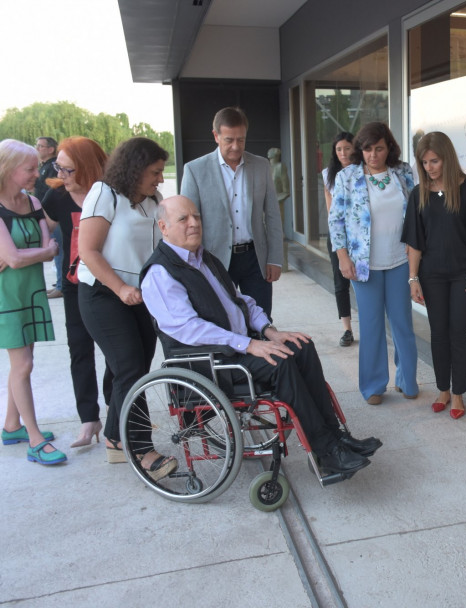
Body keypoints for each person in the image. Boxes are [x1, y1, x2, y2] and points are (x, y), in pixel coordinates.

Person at [141, 195, 379, 474]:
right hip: (210, 362)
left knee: (300, 346)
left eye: (196, 216)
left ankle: (337, 437)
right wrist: (249, 344)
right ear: (164, 227)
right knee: (280, 364)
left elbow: (241, 301)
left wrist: (269, 331)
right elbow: (189, 329)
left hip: (237, 349)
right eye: (184, 219)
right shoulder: (160, 273)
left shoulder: (205, 259)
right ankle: (326, 451)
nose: (194, 223)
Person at [78, 137, 173, 477]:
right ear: (134, 169)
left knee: (131, 367)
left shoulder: (153, 200)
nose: (160, 179)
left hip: (139, 297)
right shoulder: (104, 194)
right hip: (103, 294)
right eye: (155, 172)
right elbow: (87, 250)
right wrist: (120, 288)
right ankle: (139, 448)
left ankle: (116, 437)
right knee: (131, 368)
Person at [404, 132, 466, 419]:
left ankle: (458, 394)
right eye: (425, 162)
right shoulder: (417, 194)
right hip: (432, 277)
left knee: (458, 332)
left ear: (447, 158)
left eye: (435, 161)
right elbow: (414, 243)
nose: (430, 167)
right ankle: (442, 389)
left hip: (465, 275)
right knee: (438, 332)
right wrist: (413, 278)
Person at [329, 122, 419, 405]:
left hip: (400, 261)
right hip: (362, 265)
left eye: (379, 148)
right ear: (361, 150)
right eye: (367, 149)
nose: (373, 155)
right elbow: (336, 219)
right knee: (371, 326)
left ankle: (406, 380)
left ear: (388, 148)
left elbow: (418, 214)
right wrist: (342, 256)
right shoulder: (347, 176)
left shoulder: (403, 173)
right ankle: (373, 386)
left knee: (402, 323)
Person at [181, 107, 284, 317]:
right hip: (214, 259)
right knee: (222, 320)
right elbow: (187, 222)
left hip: (255, 257)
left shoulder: (261, 166)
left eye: (241, 139)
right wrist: (192, 265)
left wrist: (274, 258)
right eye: (229, 140)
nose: (236, 146)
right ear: (215, 136)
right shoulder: (195, 170)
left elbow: (272, 214)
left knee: (262, 319)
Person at [42, 137, 112, 447]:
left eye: (67, 169)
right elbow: (39, 229)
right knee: (79, 349)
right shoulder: (56, 197)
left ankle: (119, 411)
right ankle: (89, 418)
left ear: (85, 167)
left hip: (111, 284)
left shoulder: (111, 194)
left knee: (117, 353)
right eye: (58, 167)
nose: (61, 174)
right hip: (75, 286)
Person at [0, 139, 64, 464]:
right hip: (6, 296)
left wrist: (26, 255)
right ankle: (35, 439)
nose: (36, 174)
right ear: (9, 170)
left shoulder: (34, 202)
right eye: (30, 169)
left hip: (31, 291)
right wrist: (29, 254)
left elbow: (46, 246)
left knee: (24, 363)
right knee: (22, 364)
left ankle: (12, 426)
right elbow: (13, 259)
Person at [322, 132, 355, 347]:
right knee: (340, 283)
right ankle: (347, 329)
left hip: (360, 236)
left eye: (347, 148)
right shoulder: (328, 174)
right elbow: (330, 208)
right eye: (338, 149)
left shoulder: (363, 171)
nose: (343, 153)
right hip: (338, 235)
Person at [34, 136, 63, 299]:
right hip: (47, 214)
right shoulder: (45, 166)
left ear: (51, 149)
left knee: (58, 250)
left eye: (40, 146)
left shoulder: (52, 167)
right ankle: (59, 283)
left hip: (53, 215)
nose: (37, 149)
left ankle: (61, 286)